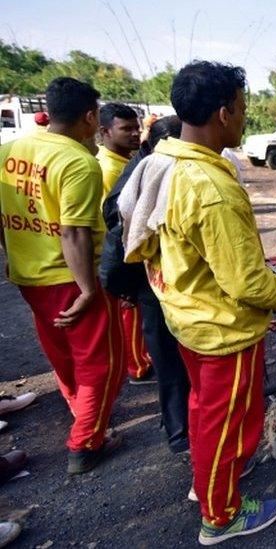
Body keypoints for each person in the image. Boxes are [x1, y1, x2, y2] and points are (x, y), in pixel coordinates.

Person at [118, 61, 276, 545]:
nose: (244, 118)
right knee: (230, 423)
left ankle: (208, 486)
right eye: (242, 110)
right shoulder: (210, 188)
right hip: (222, 329)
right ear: (223, 112)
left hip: (186, 314)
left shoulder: (165, 160)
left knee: (204, 411)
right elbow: (248, 284)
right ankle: (221, 516)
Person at [0, 77, 125, 475]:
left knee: (62, 354)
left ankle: (81, 420)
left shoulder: (10, 149)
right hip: (69, 278)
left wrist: (11, 254)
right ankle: (86, 443)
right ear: (90, 117)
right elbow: (73, 231)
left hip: (29, 276)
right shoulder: (76, 161)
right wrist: (89, 289)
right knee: (100, 364)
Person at [101, 115, 191, 454]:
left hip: (162, 284)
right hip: (156, 286)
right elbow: (120, 235)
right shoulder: (145, 175)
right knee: (170, 360)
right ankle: (181, 435)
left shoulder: (143, 169)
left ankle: (181, 425)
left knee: (178, 360)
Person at [97, 102, 153, 384]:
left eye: (137, 128)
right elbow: (115, 220)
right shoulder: (109, 170)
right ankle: (138, 366)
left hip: (123, 250)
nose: (134, 134)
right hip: (121, 251)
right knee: (130, 310)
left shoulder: (123, 162)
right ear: (105, 131)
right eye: (126, 129)